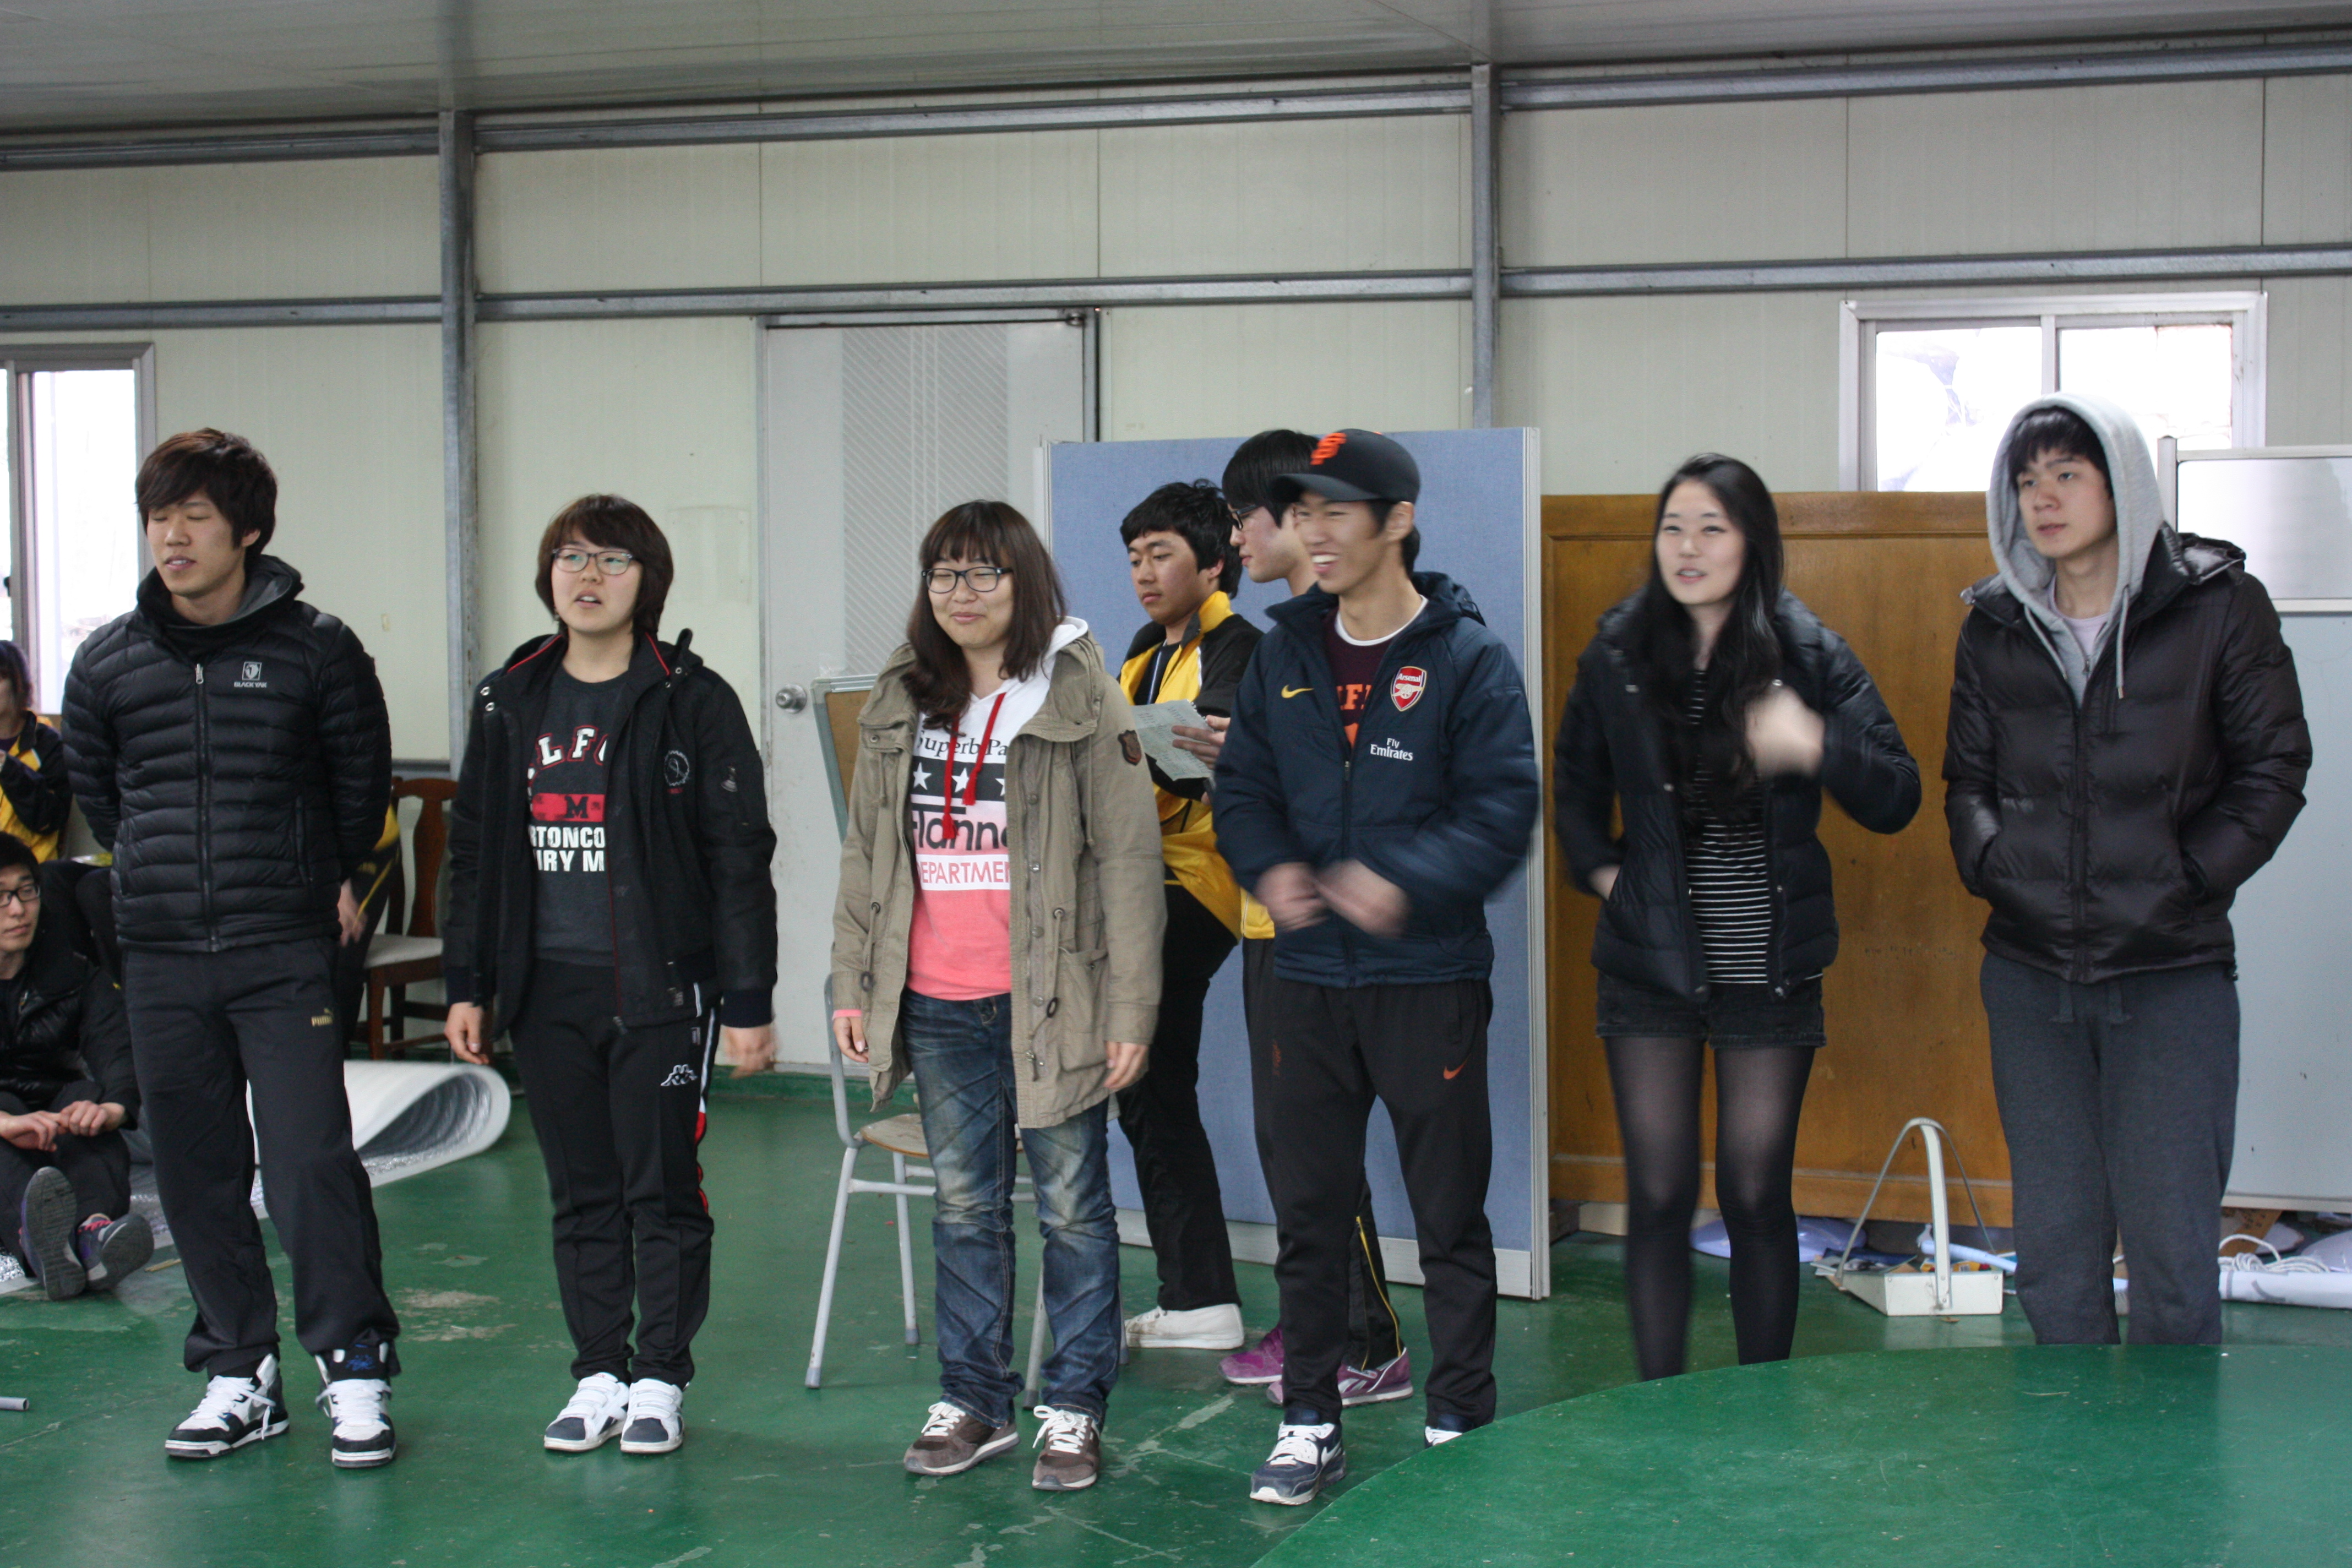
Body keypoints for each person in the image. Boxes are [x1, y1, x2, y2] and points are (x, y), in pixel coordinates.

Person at [1214, 429, 1539, 1505]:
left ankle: (1459, 1420)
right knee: (1309, 1214)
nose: (1312, 532)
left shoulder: (1467, 659)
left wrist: (1402, 880)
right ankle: (1309, 1420)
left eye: (1335, 512)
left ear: (1397, 521)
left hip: (1426, 979)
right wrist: (1273, 867)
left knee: (1448, 1216)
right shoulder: (1285, 655)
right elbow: (1243, 789)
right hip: (1305, 981)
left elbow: (1500, 809)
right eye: (1301, 512)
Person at [62, 428, 398, 1468]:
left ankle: (354, 1363)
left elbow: (360, 786)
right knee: (198, 1170)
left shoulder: (317, 648)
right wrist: (164, 875)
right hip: (161, 954)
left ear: (247, 530)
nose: (173, 537)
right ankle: (237, 1369)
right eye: (159, 518)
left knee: (308, 1162)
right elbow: (101, 795)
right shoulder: (108, 660)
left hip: (282, 946)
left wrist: (316, 872)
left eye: (195, 517)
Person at [1946, 393, 2308, 1346]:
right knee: (2055, 1253)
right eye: (2027, 481)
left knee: (2172, 1254)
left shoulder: (2218, 605)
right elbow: (1967, 780)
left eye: (2067, 475)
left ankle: (2172, 1445)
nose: (2043, 499)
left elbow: (2275, 766)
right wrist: (1993, 864)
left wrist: (2188, 877)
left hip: (2170, 970)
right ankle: (2067, 1440)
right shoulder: (1994, 626)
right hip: (2029, 973)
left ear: (2124, 485)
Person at [1553, 454, 1919, 1383]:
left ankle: (1762, 1399)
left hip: (1768, 961)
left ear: (1752, 541)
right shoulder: (1617, 653)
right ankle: (1660, 1399)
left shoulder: (1810, 652)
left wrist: (1813, 743)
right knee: (1660, 1192)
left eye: (1712, 528)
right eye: (1673, 527)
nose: (1688, 547)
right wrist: (1611, 880)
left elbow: (1897, 793)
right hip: (1650, 964)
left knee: (1755, 1193)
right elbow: (1574, 794)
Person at [831, 500, 1162, 1494]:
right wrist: (853, 980)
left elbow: (1129, 861)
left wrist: (1131, 1009)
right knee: (966, 1206)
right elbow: (866, 854)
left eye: (983, 573)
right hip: (935, 998)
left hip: (1053, 999)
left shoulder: (1079, 695)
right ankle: (974, 1401)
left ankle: (1074, 1407)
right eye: (943, 573)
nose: (960, 592)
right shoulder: (902, 694)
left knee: (1073, 1211)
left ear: (1025, 583)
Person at [443, 495, 778, 1457]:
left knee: (660, 1190)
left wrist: (747, 999)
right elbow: (474, 851)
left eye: (612, 559)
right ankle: (598, 1372)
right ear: (548, 574)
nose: (587, 576)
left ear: (648, 580)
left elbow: (737, 855)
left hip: (660, 988)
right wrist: (469, 981)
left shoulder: (690, 697)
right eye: (571, 556)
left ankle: (660, 1377)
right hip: (545, 988)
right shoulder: (510, 697)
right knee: (580, 1191)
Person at [1196, 431, 1411, 1407]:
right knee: (1292, 1145)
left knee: (1316, 1146)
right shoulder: (1281, 640)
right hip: (1267, 923)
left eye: (1245, 516)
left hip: (1326, 934)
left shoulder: (1352, 635)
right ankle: (1317, 1326)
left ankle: (1367, 1343)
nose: (1237, 537)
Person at [1114, 480, 1257, 1353]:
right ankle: (1198, 1298)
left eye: (1161, 554)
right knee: (1151, 1085)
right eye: (1135, 557)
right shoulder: (1141, 649)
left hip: (1199, 883)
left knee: (1151, 1078)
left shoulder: (1242, 647)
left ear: (1213, 564)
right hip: (1136, 880)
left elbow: (1207, 755)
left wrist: (1137, 751)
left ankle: (1201, 1299)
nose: (1143, 572)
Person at [0, 833, 154, 1300]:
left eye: (27, 891)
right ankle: (37, 1242)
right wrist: (6, 1123)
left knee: (84, 1099)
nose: (18, 910)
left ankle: (93, 1234)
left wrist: (112, 1108)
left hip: (53, 1121)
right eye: (1, 897)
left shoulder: (71, 971)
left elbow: (117, 1046)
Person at [0, 643, 69, 861]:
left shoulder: (47, 743)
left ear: (19, 684)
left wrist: (8, 769)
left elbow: (48, 820)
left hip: (30, 869)